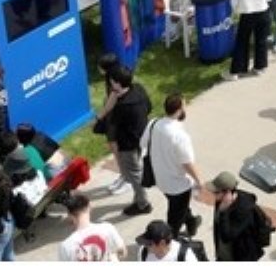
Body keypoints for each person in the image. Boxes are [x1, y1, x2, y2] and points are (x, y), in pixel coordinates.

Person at [142, 92, 204, 239]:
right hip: (179, 185)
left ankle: (191, 222)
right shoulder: (180, 136)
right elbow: (187, 162)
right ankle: (171, 239)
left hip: (160, 179)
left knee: (178, 207)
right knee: (174, 219)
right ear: (180, 109)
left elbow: (143, 143)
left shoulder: (153, 124)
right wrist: (199, 180)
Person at [95, 63, 152, 216]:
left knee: (134, 176)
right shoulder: (138, 89)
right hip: (142, 137)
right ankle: (139, 198)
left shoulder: (121, 106)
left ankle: (142, 204)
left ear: (117, 83)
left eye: (112, 81)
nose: (110, 83)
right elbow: (149, 107)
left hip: (129, 145)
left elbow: (108, 126)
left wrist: (100, 116)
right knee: (136, 172)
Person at [224, 0, 273, 80]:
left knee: (242, 42)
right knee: (261, 40)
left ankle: (237, 71)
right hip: (263, 13)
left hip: (247, 15)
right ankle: (260, 67)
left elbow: (234, 4)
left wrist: (238, 9)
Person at [209, 170, 266, 262]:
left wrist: (223, 212)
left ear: (227, 193)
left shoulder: (243, 209)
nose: (213, 195)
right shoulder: (220, 200)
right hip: (223, 255)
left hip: (240, 257)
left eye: (216, 192)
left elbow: (227, 236)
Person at [58, 192, 126, 261]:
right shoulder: (107, 228)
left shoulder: (66, 246)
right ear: (90, 207)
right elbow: (123, 251)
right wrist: (113, 255)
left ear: (69, 215)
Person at [136, 220, 202, 263]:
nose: (145, 246)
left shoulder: (185, 257)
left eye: (149, 244)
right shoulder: (143, 252)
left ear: (162, 243)